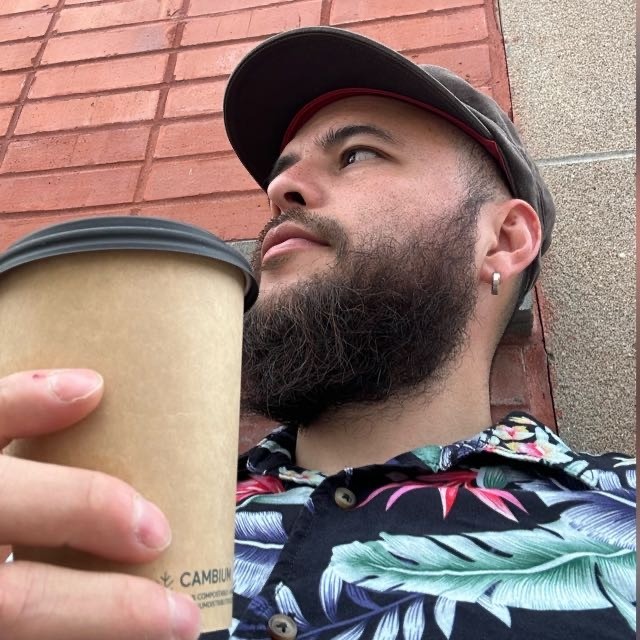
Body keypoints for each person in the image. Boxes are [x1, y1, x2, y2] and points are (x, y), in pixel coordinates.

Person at [0, 26, 634, 640]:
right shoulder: (130, 516)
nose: (279, 190)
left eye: (357, 153)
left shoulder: (621, 520)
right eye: (282, 174)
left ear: (502, 238)